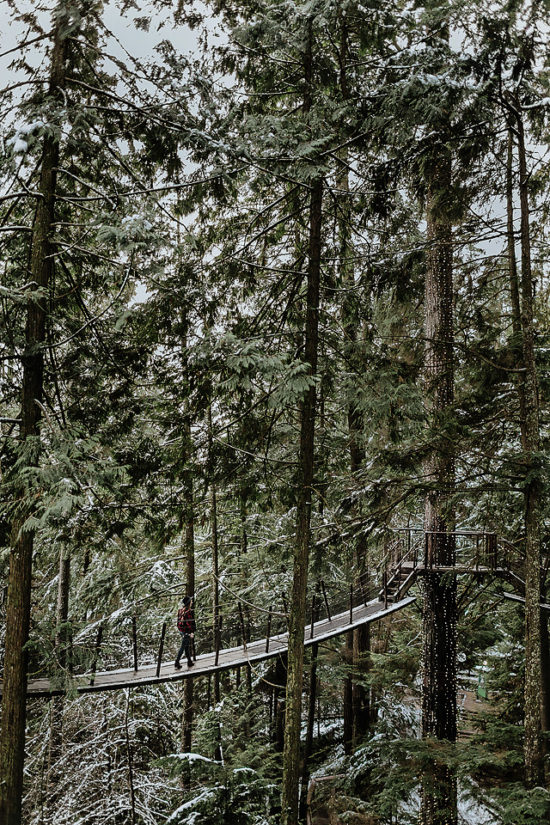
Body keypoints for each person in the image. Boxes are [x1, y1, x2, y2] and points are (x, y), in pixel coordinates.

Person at [175, 596, 195, 669]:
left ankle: (189, 661)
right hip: (186, 631)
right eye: (191, 601)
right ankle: (177, 662)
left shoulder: (180, 610)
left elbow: (178, 622)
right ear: (189, 603)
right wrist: (191, 632)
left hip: (181, 631)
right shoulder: (188, 612)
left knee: (186, 646)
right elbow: (189, 624)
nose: (192, 602)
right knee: (183, 647)